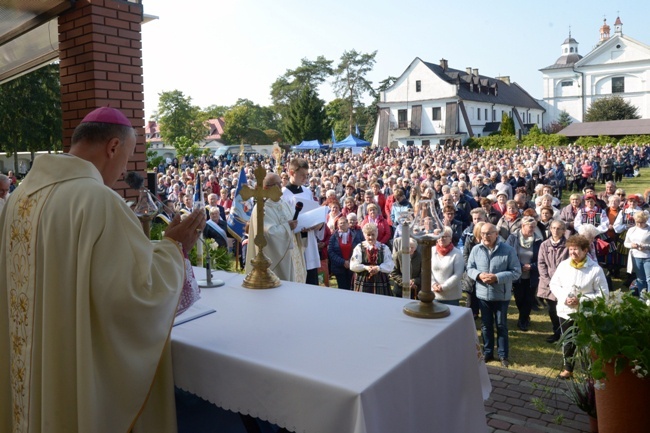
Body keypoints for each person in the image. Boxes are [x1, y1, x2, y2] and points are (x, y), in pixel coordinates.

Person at [0, 107, 206, 432]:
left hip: (29, 365)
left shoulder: (19, 197)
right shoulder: (97, 200)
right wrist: (173, 247)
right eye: (127, 157)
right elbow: (137, 295)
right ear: (112, 147)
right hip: (68, 370)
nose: (124, 169)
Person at [550, 235, 608, 379]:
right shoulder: (564, 265)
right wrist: (565, 298)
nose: (572, 253)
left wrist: (581, 300)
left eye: (576, 250)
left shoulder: (595, 269)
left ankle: (587, 370)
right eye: (570, 250)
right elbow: (554, 284)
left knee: (585, 342)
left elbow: (603, 294)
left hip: (585, 313)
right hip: (566, 311)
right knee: (568, 341)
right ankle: (568, 369)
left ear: (585, 250)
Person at [467, 223, 522, 368]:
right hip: (483, 294)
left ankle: (503, 355)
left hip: (501, 296)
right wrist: (479, 275)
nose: (486, 236)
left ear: (496, 234)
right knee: (486, 326)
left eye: (489, 233)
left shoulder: (508, 250)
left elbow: (516, 271)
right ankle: (488, 352)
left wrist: (497, 278)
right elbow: (469, 268)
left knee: (501, 325)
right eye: (483, 233)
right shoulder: (476, 249)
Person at [282, 158, 324, 286]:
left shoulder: (307, 192)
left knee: (311, 277)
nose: (305, 179)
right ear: (291, 173)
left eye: (306, 175)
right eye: (301, 175)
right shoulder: (283, 194)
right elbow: (282, 219)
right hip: (294, 240)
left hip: (309, 239)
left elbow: (314, 211)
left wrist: (319, 223)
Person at [506, 216, 543, 332]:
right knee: (519, 298)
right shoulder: (513, 238)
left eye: (534, 227)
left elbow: (541, 259)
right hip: (517, 274)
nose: (532, 229)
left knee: (529, 298)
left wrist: (531, 266)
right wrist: (521, 266)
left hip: (531, 275)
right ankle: (525, 316)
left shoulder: (538, 240)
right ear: (522, 226)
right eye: (530, 227)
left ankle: (523, 320)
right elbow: (508, 254)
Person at [537, 220, 569, 343]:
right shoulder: (544, 245)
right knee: (552, 309)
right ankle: (556, 332)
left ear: (563, 231)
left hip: (564, 283)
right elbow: (541, 263)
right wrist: (547, 280)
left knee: (564, 309)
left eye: (559, 228)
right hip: (548, 283)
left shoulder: (568, 245)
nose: (555, 231)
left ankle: (565, 333)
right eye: (553, 228)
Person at [350, 222, 395, 296]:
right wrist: (365, 267)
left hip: (380, 279)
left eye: (373, 234)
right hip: (363, 279)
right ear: (364, 235)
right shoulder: (359, 247)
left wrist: (379, 268)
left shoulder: (384, 248)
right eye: (368, 235)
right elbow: (353, 265)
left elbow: (390, 264)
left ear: (377, 234)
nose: (371, 237)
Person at [431, 226, 465, 305]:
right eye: (439, 236)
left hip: (451, 296)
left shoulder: (457, 253)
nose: (441, 239)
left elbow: (458, 274)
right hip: (433, 294)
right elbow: (427, 271)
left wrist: (443, 287)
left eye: (444, 236)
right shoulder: (431, 251)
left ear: (450, 238)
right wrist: (433, 284)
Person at [328, 216, 362, 290]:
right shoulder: (333, 237)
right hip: (339, 267)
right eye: (339, 223)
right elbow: (331, 252)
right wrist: (343, 262)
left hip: (352, 266)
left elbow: (359, 249)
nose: (341, 225)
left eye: (343, 223)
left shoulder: (355, 235)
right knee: (342, 288)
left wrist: (350, 261)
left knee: (352, 287)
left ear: (347, 224)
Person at [624, 210, 650, 295]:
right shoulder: (631, 230)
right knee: (640, 279)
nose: (639, 224)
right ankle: (642, 298)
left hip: (648, 256)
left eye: (641, 222)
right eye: (637, 222)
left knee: (649, 279)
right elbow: (625, 243)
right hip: (635, 257)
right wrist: (631, 245)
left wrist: (645, 246)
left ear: (646, 220)